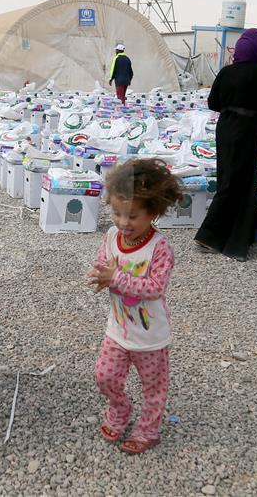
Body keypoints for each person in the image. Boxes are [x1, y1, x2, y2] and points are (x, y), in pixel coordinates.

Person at [87, 158, 180, 455]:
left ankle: (149, 429)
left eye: (132, 216)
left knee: (153, 388)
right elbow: (106, 262)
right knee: (104, 376)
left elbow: (154, 288)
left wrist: (116, 277)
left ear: (153, 212)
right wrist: (101, 275)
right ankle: (120, 408)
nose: (123, 223)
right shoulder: (112, 236)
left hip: (151, 337)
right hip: (118, 329)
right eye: (116, 213)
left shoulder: (160, 247)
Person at [194, 28, 257, 261]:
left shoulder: (227, 71)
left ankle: (248, 225)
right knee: (238, 180)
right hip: (246, 130)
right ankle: (209, 234)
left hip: (226, 127)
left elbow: (213, 102)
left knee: (228, 175)